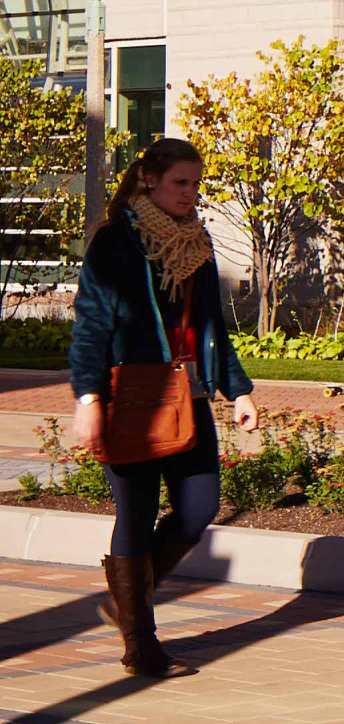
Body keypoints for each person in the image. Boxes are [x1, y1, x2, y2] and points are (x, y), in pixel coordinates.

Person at [68, 136, 257, 680]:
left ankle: (129, 596)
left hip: (190, 396)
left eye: (196, 184)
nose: (190, 194)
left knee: (198, 511)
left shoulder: (195, 243)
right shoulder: (115, 243)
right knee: (136, 515)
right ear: (150, 179)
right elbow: (91, 326)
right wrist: (88, 398)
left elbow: (212, 327)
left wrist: (236, 388)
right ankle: (140, 644)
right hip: (130, 399)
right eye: (181, 183)